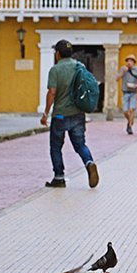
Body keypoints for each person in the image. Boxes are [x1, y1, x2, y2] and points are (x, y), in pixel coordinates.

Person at [40, 39, 99, 189]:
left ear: (58, 54)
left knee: (56, 147)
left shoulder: (55, 70)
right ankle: (89, 163)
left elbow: (52, 92)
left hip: (60, 115)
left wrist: (46, 113)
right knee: (80, 145)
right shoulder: (79, 66)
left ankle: (59, 177)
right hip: (78, 114)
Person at [116, 54, 137, 135]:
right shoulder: (123, 69)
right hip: (125, 91)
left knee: (131, 109)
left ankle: (129, 126)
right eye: (128, 61)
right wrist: (123, 72)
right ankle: (130, 120)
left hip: (134, 92)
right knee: (125, 111)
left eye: (131, 61)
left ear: (134, 62)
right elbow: (117, 79)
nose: (129, 62)